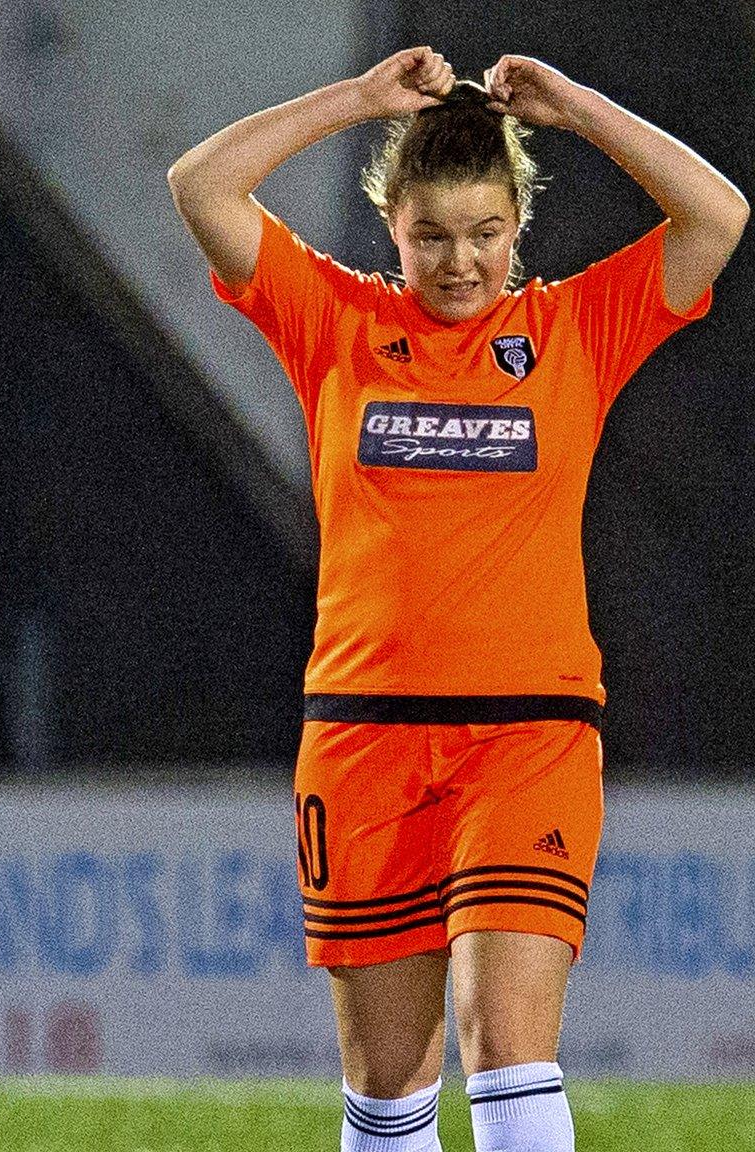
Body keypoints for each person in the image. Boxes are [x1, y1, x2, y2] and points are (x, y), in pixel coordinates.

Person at [168, 51, 744, 1152]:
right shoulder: (332, 324)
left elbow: (715, 215)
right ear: (389, 224)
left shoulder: (573, 331)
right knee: (388, 1090)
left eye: (484, 231)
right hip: (362, 741)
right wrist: (352, 101)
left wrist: (576, 109)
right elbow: (199, 185)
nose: (459, 261)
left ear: (517, 223)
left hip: (526, 736)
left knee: (505, 1044)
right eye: (429, 234)